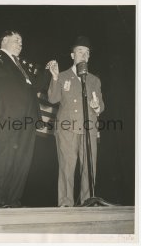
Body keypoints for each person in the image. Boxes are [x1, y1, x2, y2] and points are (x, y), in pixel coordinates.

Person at [0, 30, 47, 208]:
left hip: (28, 119)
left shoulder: (21, 66)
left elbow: (35, 86)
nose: (20, 44)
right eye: (17, 40)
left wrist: (48, 72)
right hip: (5, 114)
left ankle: (13, 200)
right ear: (4, 40)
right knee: (1, 157)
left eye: (21, 42)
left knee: (22, 160)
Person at [47, 36, 105, 207]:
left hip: (89, 127)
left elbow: (101, 105)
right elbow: (52, 99)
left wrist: (96, 107)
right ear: (72, 55)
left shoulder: (94, 79)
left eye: (87, 53)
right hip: (67, 128)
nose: (84, 55)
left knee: (89, 168)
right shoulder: (62, 76)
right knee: (67, 167)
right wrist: (55, 78)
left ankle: (88, 201)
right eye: (80, 51)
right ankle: (65, 203)